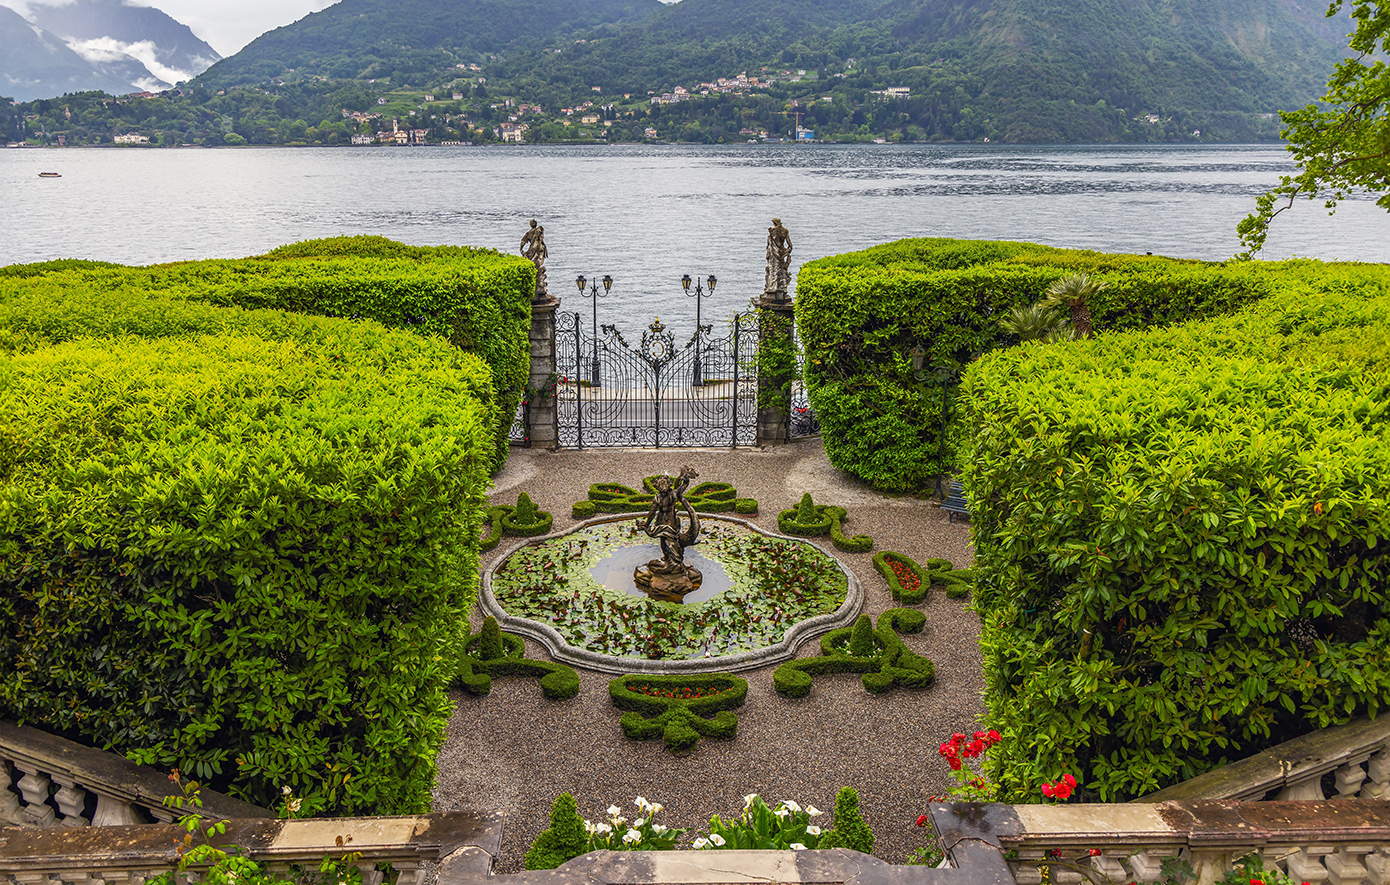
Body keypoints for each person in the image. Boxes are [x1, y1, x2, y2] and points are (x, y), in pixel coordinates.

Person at [765, 218, 792, 295]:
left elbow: (772, 242)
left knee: (773, 268)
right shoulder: (785, 230)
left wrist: (770, 234)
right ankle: (780, 286)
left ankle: (773, 286)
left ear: (774, 223)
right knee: (780, 267)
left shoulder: (773, 230)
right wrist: (790, 247)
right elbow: (788, 240)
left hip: (774, 252)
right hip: (781, 251)